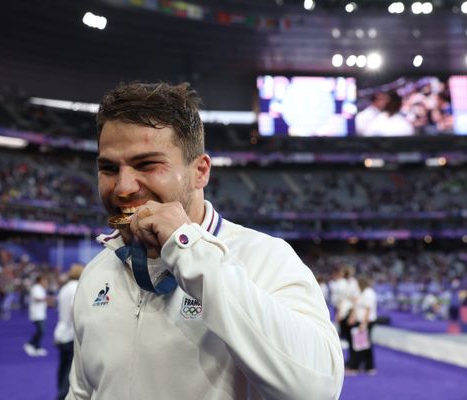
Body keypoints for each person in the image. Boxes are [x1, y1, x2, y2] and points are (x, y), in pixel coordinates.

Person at [66, 82, 344, 400]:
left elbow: (317, 389)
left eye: (147, 165)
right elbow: (83, 392)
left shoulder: (265, 258)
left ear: (200, 171)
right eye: (108, 168)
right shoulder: (97, 273)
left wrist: (190, 250)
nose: (123, 187)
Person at [54, 264, 84, 400]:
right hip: (72, 334)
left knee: (63, 367)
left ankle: (60, 391)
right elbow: (74, 309)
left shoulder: (64, 288)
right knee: (71, 371)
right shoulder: (78, 287)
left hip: (61, 332)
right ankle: (62, 396)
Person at [345, 276, 377, 375]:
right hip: (362, 320)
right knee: (365, 345)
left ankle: (355, 366)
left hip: (366, 321)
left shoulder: (368, 293)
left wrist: (364, 323)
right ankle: (369, 366)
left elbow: (368, 309)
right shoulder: (363, 292)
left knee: (360, 344)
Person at [24, 275, 49, 356]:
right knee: (41, 331)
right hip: (36, 313)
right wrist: (47, 299)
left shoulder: (41, 288)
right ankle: (30, 344)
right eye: (44, 280)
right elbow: (36, 298)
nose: (46, 282)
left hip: (40, 313)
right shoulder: (36, 288)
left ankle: (37, 347)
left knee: (41, 331)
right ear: (40, 281)